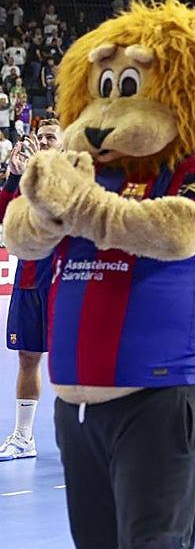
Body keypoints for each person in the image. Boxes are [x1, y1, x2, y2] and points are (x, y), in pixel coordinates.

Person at [0, 120, 63, 462]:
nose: (43, 141)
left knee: (73, 359)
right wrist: (13, 177)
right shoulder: (25, 180)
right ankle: (23, 437)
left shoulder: (73, 174)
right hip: (28, 278)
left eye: (50, 137)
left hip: (63, 281)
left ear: (64, 144)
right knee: (27, 357)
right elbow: (5, 215)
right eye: (39, 137)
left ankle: (92, 437)